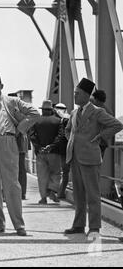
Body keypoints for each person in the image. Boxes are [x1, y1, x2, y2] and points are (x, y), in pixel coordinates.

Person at [0, 71, 40, 236]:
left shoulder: (13, 101)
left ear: (1, 86)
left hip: (7, 141)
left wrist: (21, 128)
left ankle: (19, 225)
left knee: (12, 185)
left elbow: (35, 113)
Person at [64, 78, 123, 236]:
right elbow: (68, 129)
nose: (74, 96)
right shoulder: (74, 112)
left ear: (85, 95)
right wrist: (71, 140)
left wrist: (101, 136)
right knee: (78, 194)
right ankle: (78, 225)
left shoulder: (97, 112)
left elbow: (117, 125)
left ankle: (94, 227)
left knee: (93, 194)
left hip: (90, 157)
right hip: (75, 157)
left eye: (77, 94)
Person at [29, 100, 62, 204]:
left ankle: (43, 198)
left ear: (42, 110)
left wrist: (39, 147)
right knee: (56, 173)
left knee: (42, 176)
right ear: (51, 110)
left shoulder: (36, 121)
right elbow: (60, 136)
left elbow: (32, 135)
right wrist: (51, 146)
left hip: (40, 153)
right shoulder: (58, 121)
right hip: (54, 152)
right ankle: (52, 190)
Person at [8, 92, 29, 200]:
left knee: (13, 169)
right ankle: (21, 193)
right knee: (20, 169)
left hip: (16, 142)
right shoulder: (23, 111)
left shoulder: (14, 111)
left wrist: (17, 130)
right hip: (20, 143)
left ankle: (16, 193)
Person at [53, 103, 70, 199]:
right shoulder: (68, 118)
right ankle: (60, 192)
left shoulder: (62, 120)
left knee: (62, 171)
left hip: (61, 150)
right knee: (65, 172)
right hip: (66, 149)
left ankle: (60, 192)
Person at [90, 89, 113, 158]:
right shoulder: (109, 112)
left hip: (97, 142)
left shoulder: (99, 112)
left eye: (93, 99)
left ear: (96, 99)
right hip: (102, 142)